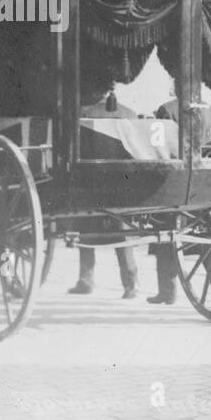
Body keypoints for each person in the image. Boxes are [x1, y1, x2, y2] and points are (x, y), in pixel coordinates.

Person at [72, 87, 140, 298]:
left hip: (92, 183)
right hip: (123, 183)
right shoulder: (129, 113)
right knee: (123, 230)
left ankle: (86, 279)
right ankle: (130, 285)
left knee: (84, 227)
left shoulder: (84, 113)